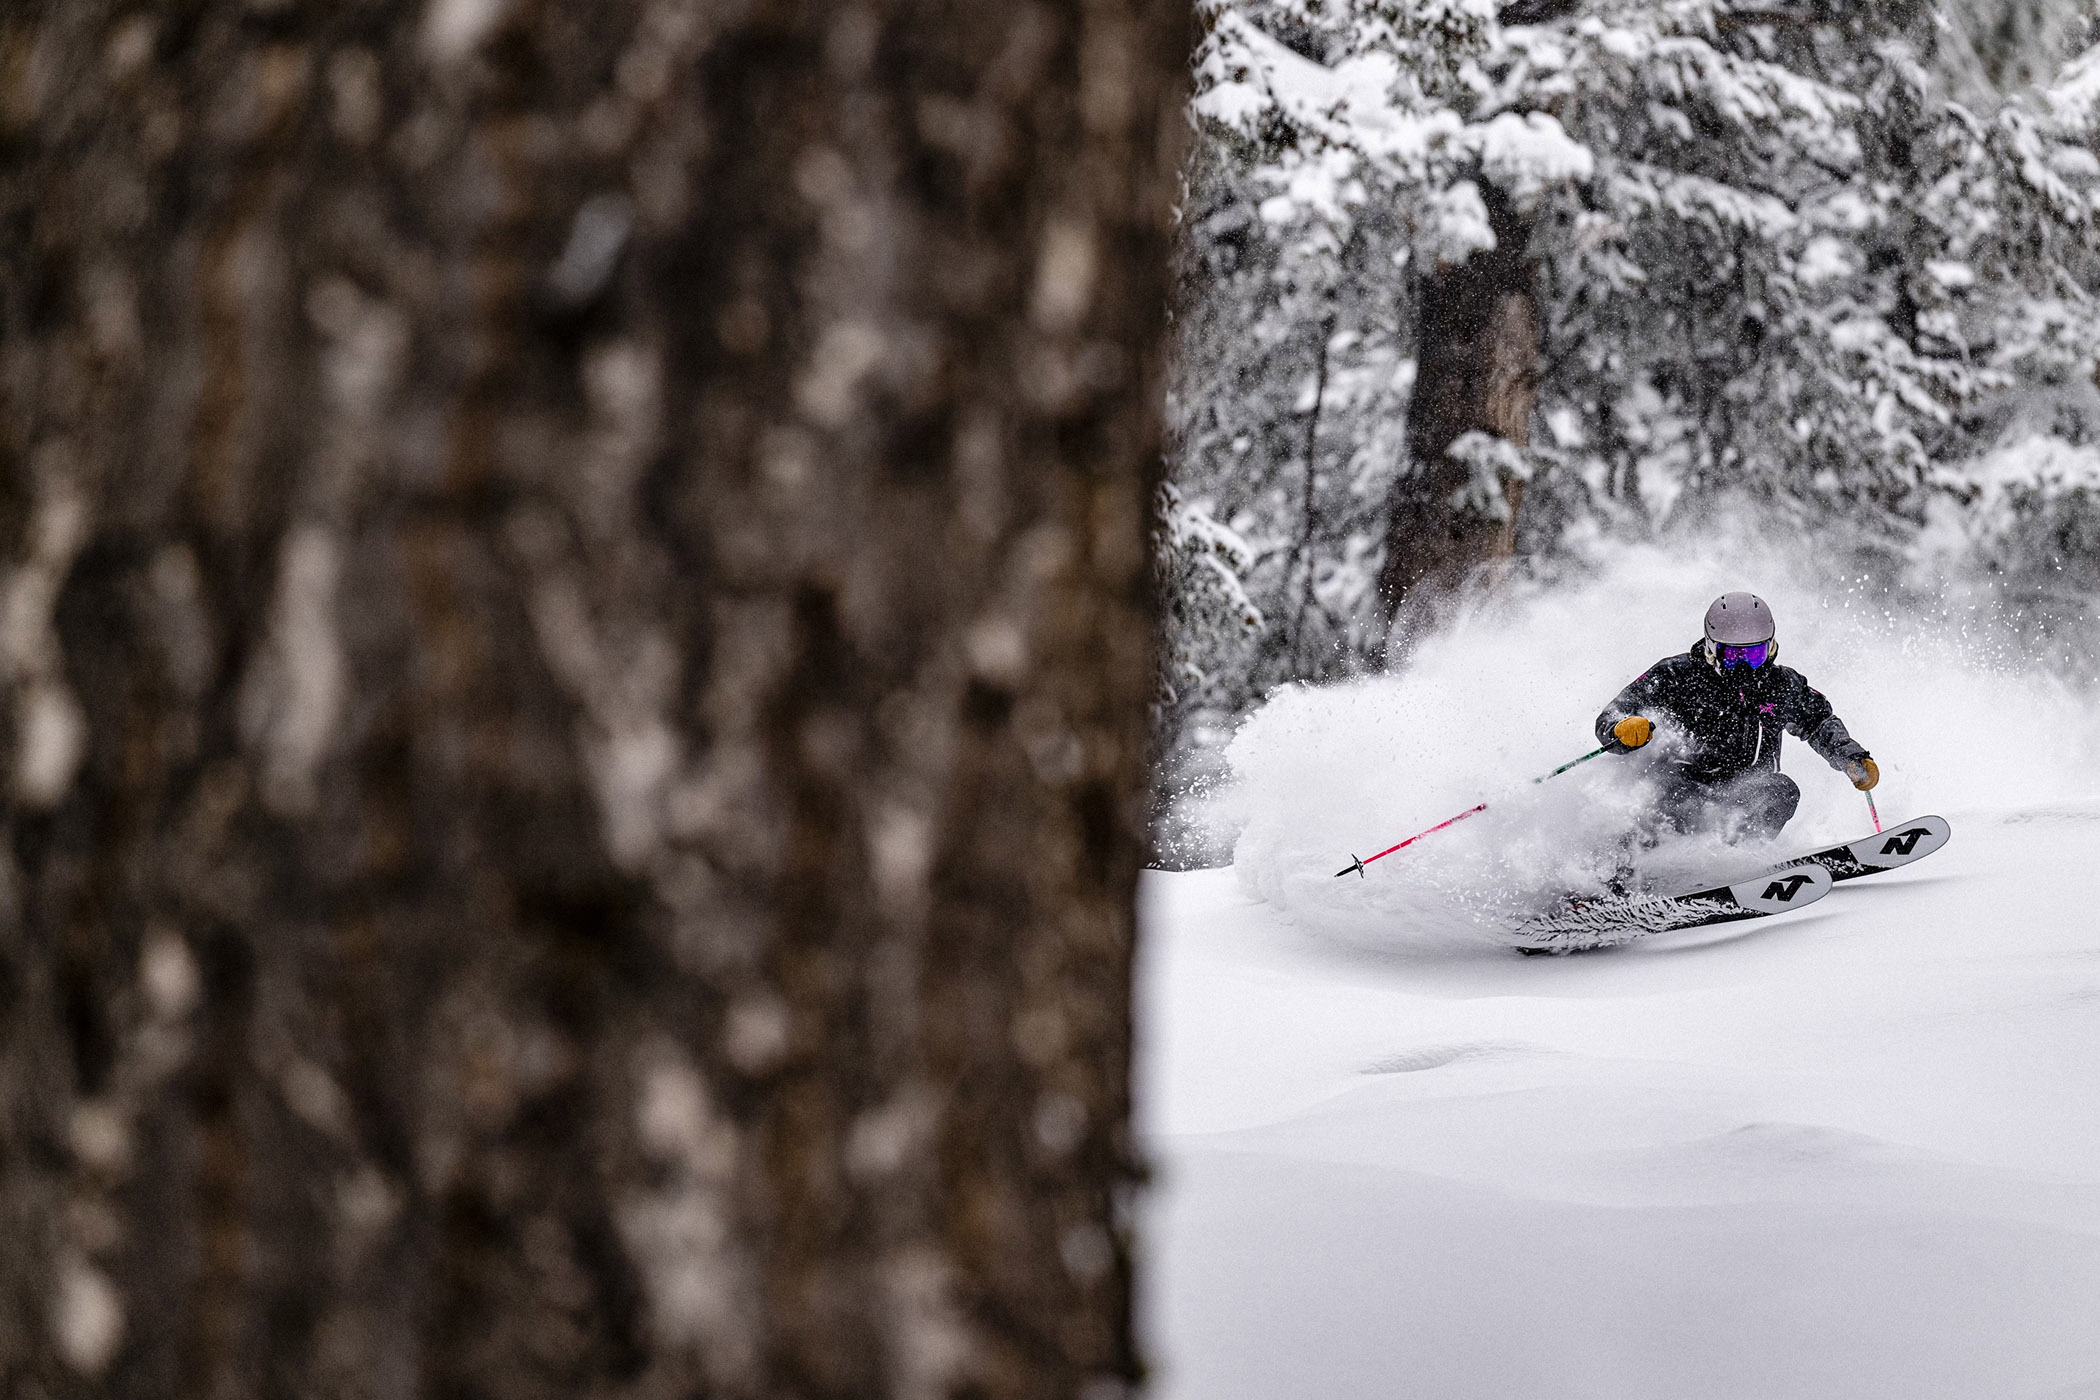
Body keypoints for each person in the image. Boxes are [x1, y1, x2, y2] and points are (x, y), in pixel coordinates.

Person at [1595, 591, 1878, 842]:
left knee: (1782, 790)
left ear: (1770, 647)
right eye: (1732, 656)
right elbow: (1614, 713)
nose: (1744, 667)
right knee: (1663, 793)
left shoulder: (1782, 685)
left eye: (1754, 655)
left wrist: (1850, 757)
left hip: (1743, 794)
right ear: (1711, 648)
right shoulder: (1676, 676)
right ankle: (1634, 863)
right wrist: (1621, 729)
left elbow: (1818, 723)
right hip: (1681, 790)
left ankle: (1739, 862)